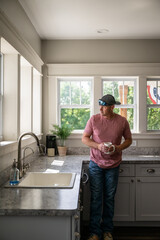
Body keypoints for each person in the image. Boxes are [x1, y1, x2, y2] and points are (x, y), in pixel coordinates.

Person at [82, 94, 132, 240]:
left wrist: (118, 148)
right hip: (95, 164)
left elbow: (129, 140)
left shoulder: (122, 121)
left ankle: (107, 231)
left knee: (109, 198)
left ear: (112, 107)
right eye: (100, 105)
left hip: (114, 165)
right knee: (96, 198)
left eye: (104, 106)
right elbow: (84, 138)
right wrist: (98, 146)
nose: (101, 108)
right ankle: (94, 232)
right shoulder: (94, 119)